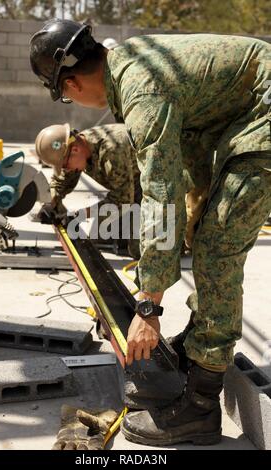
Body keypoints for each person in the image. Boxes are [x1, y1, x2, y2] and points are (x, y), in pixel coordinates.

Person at [29, 20, 271, 446]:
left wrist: (149, 306)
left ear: (70, 83)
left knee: (218, 247)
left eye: (65, 94)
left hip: (263, 119)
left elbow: (159, 191)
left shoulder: (141, 87)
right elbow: (187, 162)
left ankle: (199, 405)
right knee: (207, 232)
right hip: (245, 118)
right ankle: (201, 349)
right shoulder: (132, 67)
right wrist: (193, 217)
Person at [35, 122, 142, 258]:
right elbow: (62, 181)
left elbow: (122, 200)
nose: (66, 170)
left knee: (143, 251)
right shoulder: (78, 146)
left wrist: (80, 215)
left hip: (162, 181)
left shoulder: (112, 149)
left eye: (65, 165)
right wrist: (51, 201)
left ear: (75, 150)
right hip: (131, 182)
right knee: (101, 235)